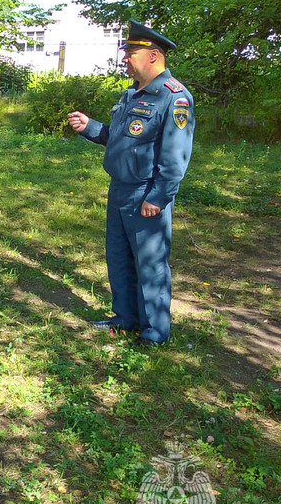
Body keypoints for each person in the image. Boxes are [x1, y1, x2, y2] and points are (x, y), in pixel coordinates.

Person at [67, 20, 195, 346]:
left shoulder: (174, 98)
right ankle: (125, 318)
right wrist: (90, 127)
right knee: (120, 258)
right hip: (120, 189)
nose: (125, 58)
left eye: (131, 52)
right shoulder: (131, 95)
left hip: (146, 194)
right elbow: (119, 139)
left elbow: (175, 156)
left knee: (150, 265)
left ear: (153, 55)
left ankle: (154, 333)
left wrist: (159, 196)